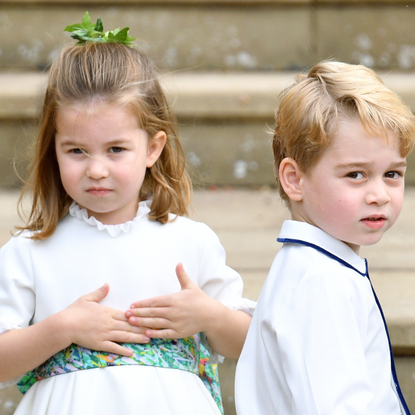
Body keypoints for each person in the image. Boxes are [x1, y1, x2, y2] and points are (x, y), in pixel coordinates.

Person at [0, 13, 254, 415]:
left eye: (116, 149)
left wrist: (210, 316)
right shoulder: (30, 251)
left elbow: (250, 345)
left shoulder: (190, 240)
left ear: (153, 149)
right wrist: (62, 328)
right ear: (54, 149)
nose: (96, 169)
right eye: (76, 150)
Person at [235, 61, 415, 415]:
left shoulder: (317, 267)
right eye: (356, 174)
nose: (379, 193)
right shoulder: (320, 282)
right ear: (294, 179)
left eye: (392, 173)